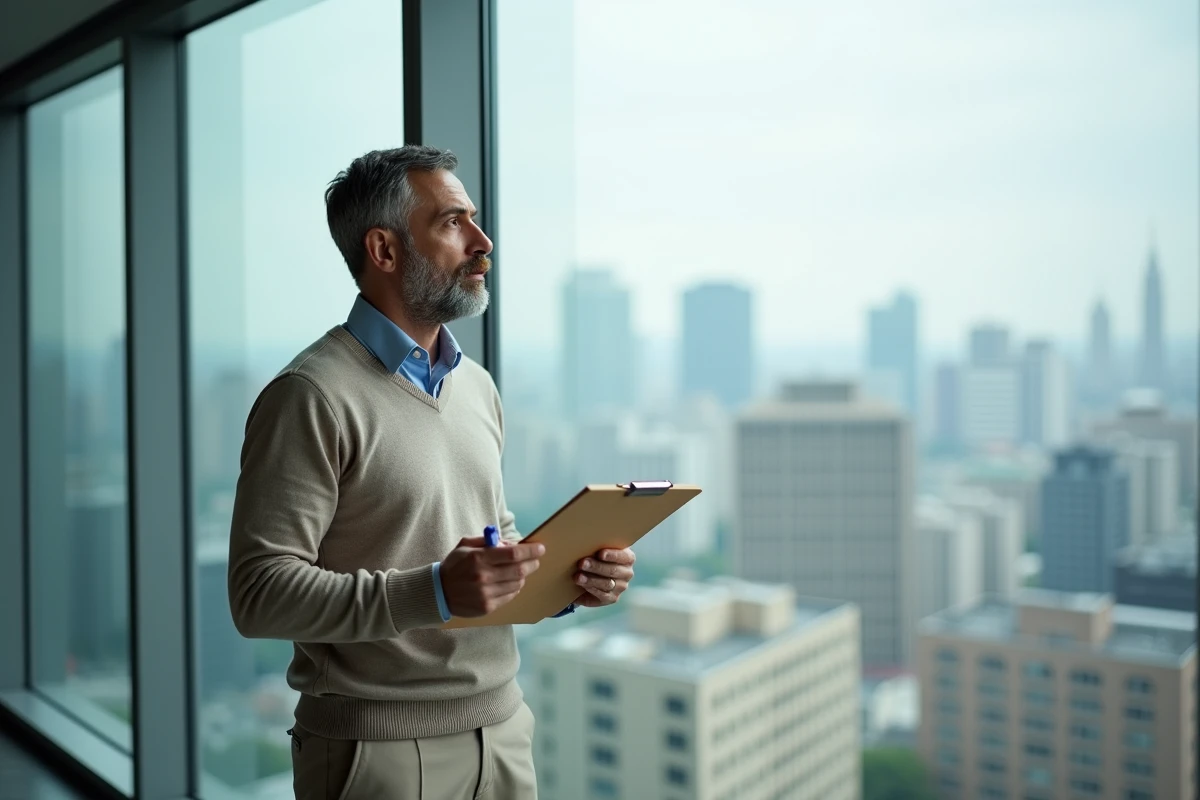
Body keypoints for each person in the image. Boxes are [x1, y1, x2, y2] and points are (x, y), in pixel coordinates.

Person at [227, 145, 637, 800]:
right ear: (384, 251)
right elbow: (258, 594)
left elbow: (492, 554)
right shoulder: (310, 394)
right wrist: (436, 592)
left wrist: (569, 584)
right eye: (452, 222)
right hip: (375, 752)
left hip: (503, 730)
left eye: (473, 218)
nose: (483, 240)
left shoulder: (477, 387)